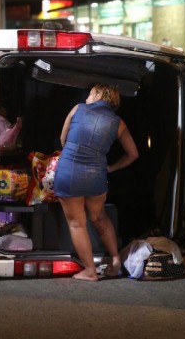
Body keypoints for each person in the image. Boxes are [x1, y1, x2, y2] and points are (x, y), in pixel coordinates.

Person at [53, 84, 139, 281]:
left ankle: (90, 271)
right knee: (99, 216)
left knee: (77, 223)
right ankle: (116, 259)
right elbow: (133, 154)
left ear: (100, 94)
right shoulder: (118, 123)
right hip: (96, 175)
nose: (86, 98)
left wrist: (72, 156)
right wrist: (112, 167)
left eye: (90, 94)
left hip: (69, 172)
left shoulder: (77, 109)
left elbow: (63, 138)